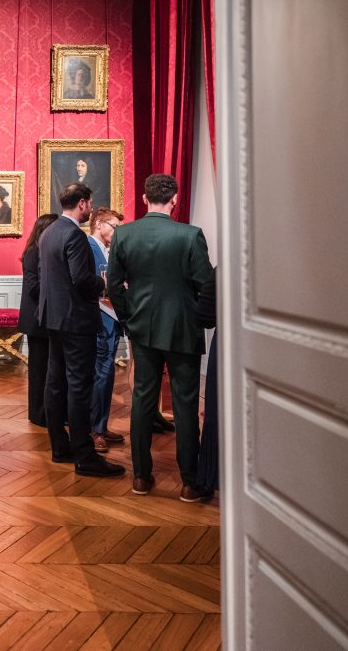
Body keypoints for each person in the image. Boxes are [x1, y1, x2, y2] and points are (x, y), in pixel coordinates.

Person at [107, 173, 215, 501]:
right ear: (175, 199)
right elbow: (206, 284)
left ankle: (141, 476)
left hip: (142, 326)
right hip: (183, 327)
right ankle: (189, 481)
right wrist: (202, 319)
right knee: (185, 404)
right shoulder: (190, 235)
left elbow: (114, 286)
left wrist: (128, 319)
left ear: (144, 198)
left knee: (142, 400)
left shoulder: (124, 233)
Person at [38, 183, 124, 478]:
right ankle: (85, 456)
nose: (90, 208)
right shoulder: (74, 234)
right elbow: (81, 280)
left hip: (53, 318)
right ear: (83, 203)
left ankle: (60, 447)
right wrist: (106, 284)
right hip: (75, 321)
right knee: (79, 386)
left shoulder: (50, 231)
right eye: (90, 203)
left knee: (55, 383)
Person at [87, 207, 126, 452]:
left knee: (107, 374)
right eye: (114, 226)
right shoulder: (88, 247)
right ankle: (95, 430)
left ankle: (101, 424)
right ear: (99, 224)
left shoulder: (109, 251)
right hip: (98, 319)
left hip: (112, 319)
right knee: (99, 375)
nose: (117, 231)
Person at [17, 214, 58, 427]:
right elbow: (34, 287)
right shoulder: (33, 252)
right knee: (39, 371)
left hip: (46, 319)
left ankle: (49, 412)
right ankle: (38, 414)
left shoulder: (43, 252)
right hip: (37, 321)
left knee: (48, 370)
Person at [195, 269, 218, 498]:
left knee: (217, 410)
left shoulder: (224, 271)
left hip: (229, 345)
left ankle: (210, 477)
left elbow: (205, 316)